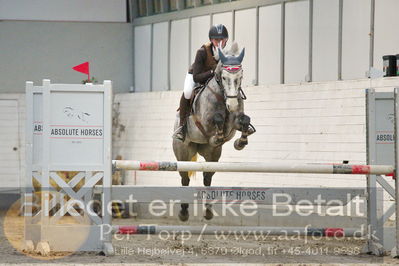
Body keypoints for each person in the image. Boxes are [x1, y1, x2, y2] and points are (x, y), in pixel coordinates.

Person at [173, 24, 229, 141]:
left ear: (226, 40)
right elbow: (196, 78)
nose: (219, 42)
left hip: (213, 80)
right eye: (216, 40)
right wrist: (213, 72)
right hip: (196, 75)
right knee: (188, 92)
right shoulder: (202, 51)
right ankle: (181, 126)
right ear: (211, 40)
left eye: (222, 39)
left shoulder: (226, 53)